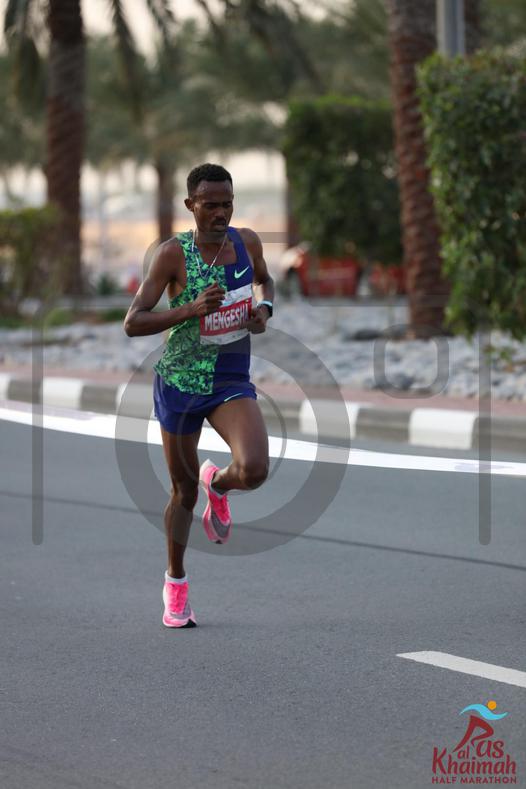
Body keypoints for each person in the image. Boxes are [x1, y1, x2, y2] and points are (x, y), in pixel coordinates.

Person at [124, 163, 274, 628]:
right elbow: (133, 321)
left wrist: (264, 310)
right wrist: (190, 309)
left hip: (229, 378)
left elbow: (265, 280)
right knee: (184, 492)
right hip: (181, 384)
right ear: (191, 205)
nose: (220, 213)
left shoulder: (247, 243)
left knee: (254, 469)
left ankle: (220, 485)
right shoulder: (172, 254)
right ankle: (176, 582)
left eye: (227, 204)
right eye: (210, 205)